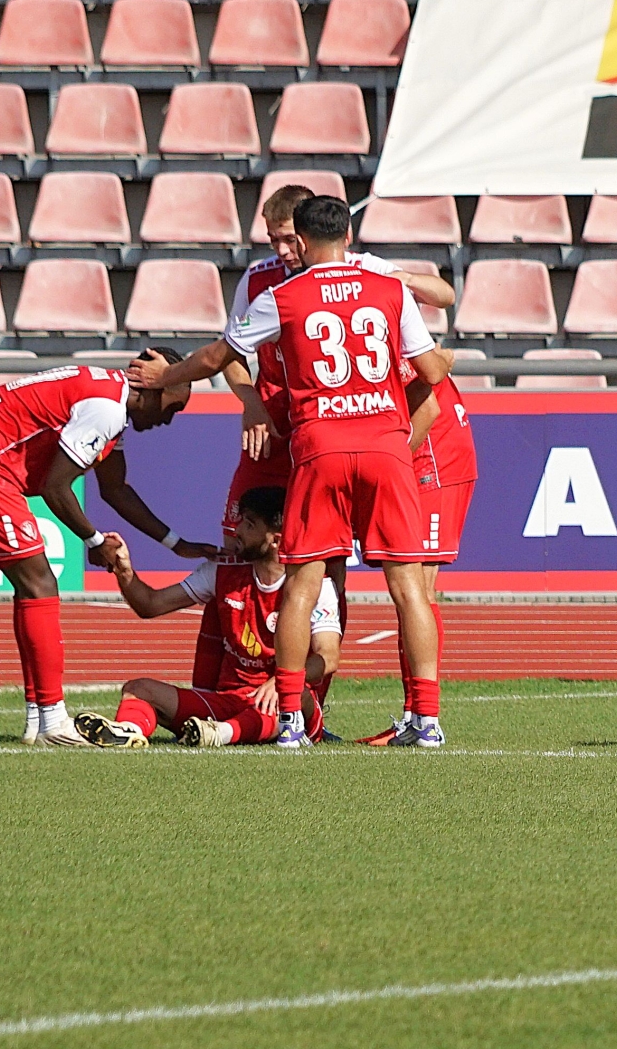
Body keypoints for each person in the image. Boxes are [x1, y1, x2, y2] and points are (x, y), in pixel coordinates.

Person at [130, 196, 454, 750]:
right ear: (348, 237)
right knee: (408, 586)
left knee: (303, 580)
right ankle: (425, 720)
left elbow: (216, 357)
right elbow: (429, 370)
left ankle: (289, 719)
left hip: (321, 447)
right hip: (385, 446)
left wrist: (165, 378)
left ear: (301, 243)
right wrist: (439, 364)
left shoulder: (282, 295)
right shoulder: (388, 288)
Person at [0, 352, 210, 745]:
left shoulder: (112, 403)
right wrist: (95, 541)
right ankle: (53, 721)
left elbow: (115, 490)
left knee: (33, 587)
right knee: (40, 584)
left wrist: (175, 544)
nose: (169, 419)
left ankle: (38, 719)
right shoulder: (106, 408)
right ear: (151, 387)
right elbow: (55, 487)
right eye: (173, 407)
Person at [220, 186, 455, 549]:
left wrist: (403, 279)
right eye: (273, 240)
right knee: (239, 536)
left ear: (307, 232)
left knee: (330, 548)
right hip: (272, 425)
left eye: (288, 239)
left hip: (332, 423)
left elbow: (444, 295)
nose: (282, 250)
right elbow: (228, 353)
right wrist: (251, 403)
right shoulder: (256, 279)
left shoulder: (362, 267)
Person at [74, 486, 341, 748]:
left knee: (293, 697)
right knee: (138, 689)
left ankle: (221, 734)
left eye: (249, 525)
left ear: (276, 540)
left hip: (286, 701)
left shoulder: (317, 586)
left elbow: (328, 656)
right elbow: (150, 605)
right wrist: (124, 572)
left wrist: (283, 682)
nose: (237, 531)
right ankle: (128, 731)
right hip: (225, 701)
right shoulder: (222, 572)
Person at [359, 350, 477, 746]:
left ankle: (423, 718)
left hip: (434, 463)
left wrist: (388, 465)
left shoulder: (389, 339)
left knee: (417, 592)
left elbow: (427, 404)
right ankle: (414, 716)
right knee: (410, 594)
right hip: (429, 459)